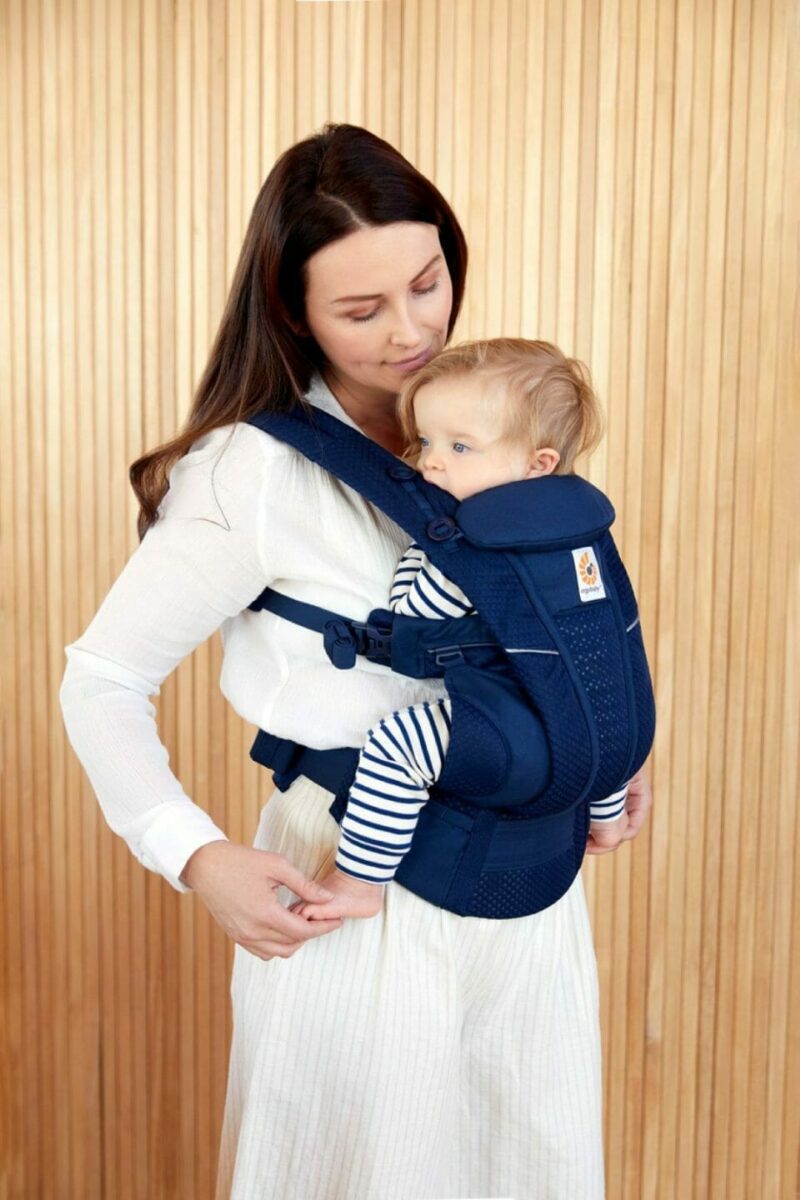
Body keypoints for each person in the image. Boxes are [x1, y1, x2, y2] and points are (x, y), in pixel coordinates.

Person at [59, 123, 652, 1200]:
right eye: (362, 309)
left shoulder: (507, 422)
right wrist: (195, 856)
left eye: (427, 284)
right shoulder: (251, 472)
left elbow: (560, 625)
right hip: (351, 882)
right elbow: (102, 680)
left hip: (528, 886)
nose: (412, 330)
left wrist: (595, 745)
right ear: (294, 312)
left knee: (532, 1167)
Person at [293, 337, 634, 923]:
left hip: (520, 743)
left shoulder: (476, 541)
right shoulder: (582, 531)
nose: (430, 462)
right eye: (425, 441)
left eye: (459, 446)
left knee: (399, 744)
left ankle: (359, 882)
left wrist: (420, 554)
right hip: (604, 736)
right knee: (600, 696)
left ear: (537, 464)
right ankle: (607, 819)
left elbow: (414, 613)